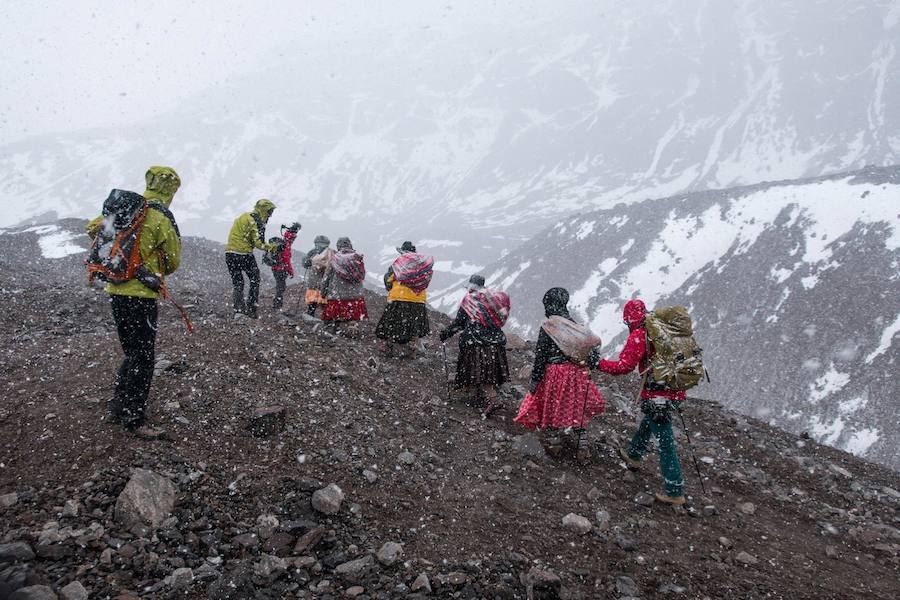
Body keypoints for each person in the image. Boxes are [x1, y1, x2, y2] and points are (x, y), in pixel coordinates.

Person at [86, 166, 182, 439]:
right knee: (144, 356)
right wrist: (149, 263)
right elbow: (174, 262)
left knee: (131, 351)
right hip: (142, 296)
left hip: (115, 291)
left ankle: (117, 407)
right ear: (171, 190)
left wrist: (121, 256)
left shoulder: (126, 208)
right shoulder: (161, 216)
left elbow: (92, 228)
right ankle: (134, 417)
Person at [591, 298, 687, 505]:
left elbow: (623, 367)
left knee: (665, 440)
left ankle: (674, 489)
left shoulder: (640, 335)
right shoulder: (662, 329)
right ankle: (634, 454)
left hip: (658, 395)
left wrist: (598, 363)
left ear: (629, 319)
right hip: (675, 390)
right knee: (651, 422)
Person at [514, 287, 605, 457]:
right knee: (577, 410)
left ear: (550, 304)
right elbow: (591, 353)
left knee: (552, 407)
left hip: (556, 374)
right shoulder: (577, 327)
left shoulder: (549, 327)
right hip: (578, 374)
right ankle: (582, 448)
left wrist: (535, 379)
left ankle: (554, 444)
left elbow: (541, 355)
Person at [439, 275, 510, 416]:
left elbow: (460, 322)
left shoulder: (470, 300)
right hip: (495, 343)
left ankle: (493, 400)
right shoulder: (492, 300)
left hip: (477, 342)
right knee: (487, 372)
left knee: (480, 371)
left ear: (471, 286)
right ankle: (479, 396)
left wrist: (446, 334)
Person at [375, 241, 433, 357]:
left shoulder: (398, 264)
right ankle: (412, 347)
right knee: (414, 325)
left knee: (391, 322)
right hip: (418, 300)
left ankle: (388, 345)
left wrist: (392, 287)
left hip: (399, 297)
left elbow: (389, 280)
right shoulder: (422, 265)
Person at [224, 199, 277, 318]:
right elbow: (258, 243)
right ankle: (251, 309)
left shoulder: (243, 216)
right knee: (255, 279)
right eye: (270, 212)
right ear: (264, 210)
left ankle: (238, 310)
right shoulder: (255, 220)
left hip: (230, 253)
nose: (270, 215)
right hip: (244, 254)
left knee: (238, 282)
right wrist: (272, 248)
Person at [320, 237, 368, 326]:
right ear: (350, 245)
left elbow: (326, 278)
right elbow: (362, 275)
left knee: (335, 319)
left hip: (337, 296)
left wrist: (323, 293)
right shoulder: (357, 258)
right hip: (355, 296)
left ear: (338, 246)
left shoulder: (334, 259)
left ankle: (336, 329)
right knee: (352, 317)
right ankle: (351, 328)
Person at [270, 222, 301, 311]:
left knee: (279, 286)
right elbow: (286, 260)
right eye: (294, 237)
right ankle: (277, 306)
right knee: (281, 287)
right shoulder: (286, 245)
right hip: (280, 269)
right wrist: (291, 272)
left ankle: (277, 305)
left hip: (275, 268)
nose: (294, 239)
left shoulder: (282, 242)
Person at [302, 235, 333, 316]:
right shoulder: (330, 253)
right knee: (318, 301)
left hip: (317, 281)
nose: (319, 246)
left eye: (322, 244)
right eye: (318, 244)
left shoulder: (328, 253)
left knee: (315, 301)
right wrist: (306, 261)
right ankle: (323, 319)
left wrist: (308, 262)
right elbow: (305, 263)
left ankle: (313, 316)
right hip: (321, 282)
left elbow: (306, 264)